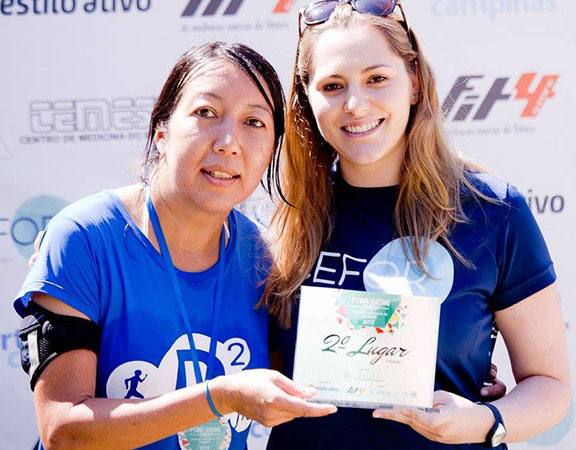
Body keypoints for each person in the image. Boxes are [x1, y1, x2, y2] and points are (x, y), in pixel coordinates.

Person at [261, 1, 571, 449]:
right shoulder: (285, 220)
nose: (355, 104)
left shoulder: (493, 210)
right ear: (308, 98)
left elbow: (550, 385)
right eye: (332, 85)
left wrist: (484, 421)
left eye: (376, 79)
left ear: (414, 83)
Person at [13, 42, 336, 450]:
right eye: (206, 113)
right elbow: (64, 431)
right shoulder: (85, 237)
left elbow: (318, 378)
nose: (228, 142)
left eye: (254, 122)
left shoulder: (261, 258)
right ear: (161, 132)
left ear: (272, 149)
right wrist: (220, 397)